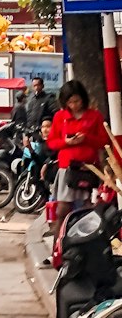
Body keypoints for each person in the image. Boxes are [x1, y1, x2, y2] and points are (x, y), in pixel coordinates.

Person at [47, 80, 109, 237]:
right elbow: (52, 142)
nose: (74, 105)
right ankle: (58, 247)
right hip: (67, 168)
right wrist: (66, 142)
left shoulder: (94, 116)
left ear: (83, 99)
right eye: (70, 102)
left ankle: (85, 244)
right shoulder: (60, 117)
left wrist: (86, 138)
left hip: (88, 168)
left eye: (77, 101)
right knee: (62, 210)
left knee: (88, 208)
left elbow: (103, 141)